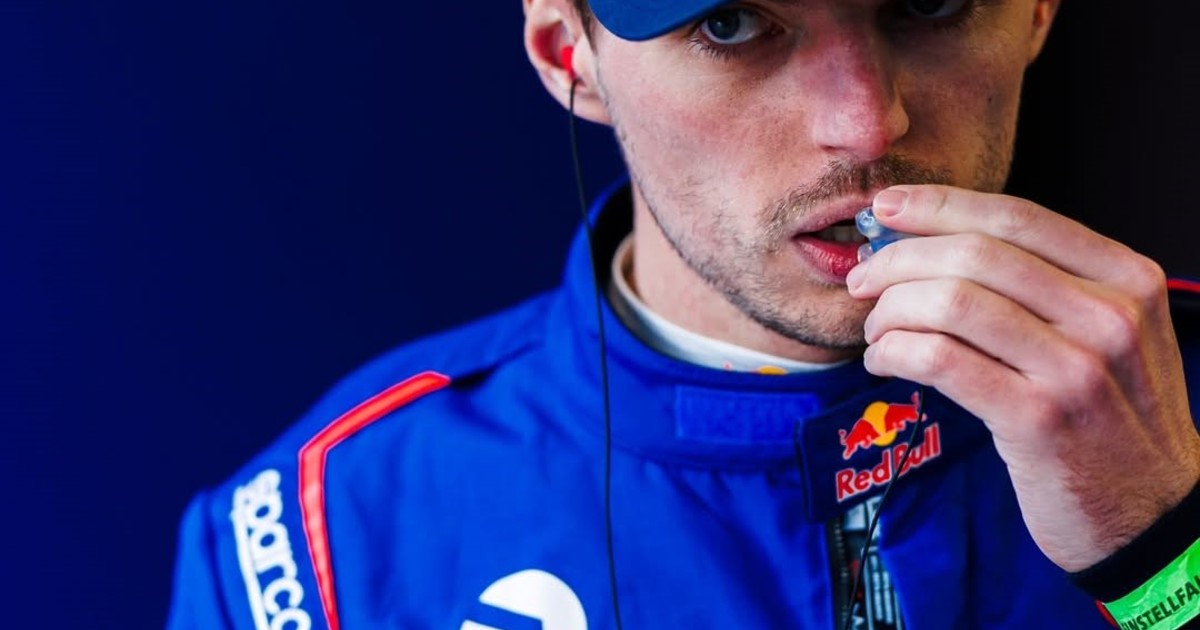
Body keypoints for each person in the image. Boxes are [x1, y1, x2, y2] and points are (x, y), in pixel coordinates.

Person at [167, 0, 1200, 628]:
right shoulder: (318, 540)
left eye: (929, 5)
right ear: (568, 54)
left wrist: (1163, 558)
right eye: (732, 24)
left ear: (1039, 12)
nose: (864, 124)